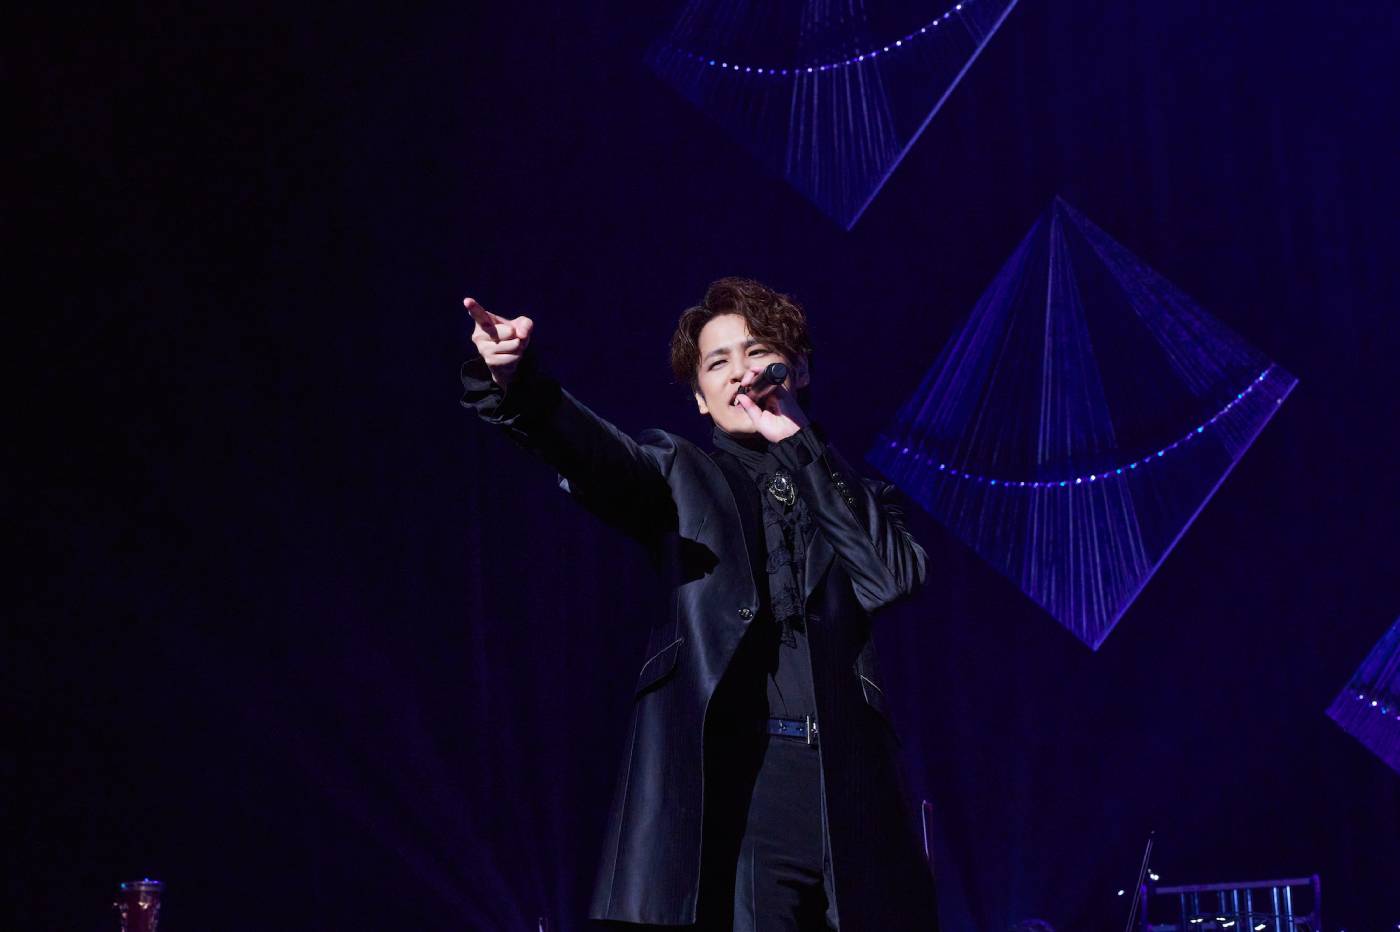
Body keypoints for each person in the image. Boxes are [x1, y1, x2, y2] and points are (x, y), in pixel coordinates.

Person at [461, 277, 938, 931]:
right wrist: (520, 382)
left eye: (757, 352)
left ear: (797, 370)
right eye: (718, 363)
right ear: (699, 398)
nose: (740, 373)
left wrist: (801, 445)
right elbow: (597, 455)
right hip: (739, 782)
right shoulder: (679, 473)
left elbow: (892, 578)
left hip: (848, 785)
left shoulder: (860, 494)